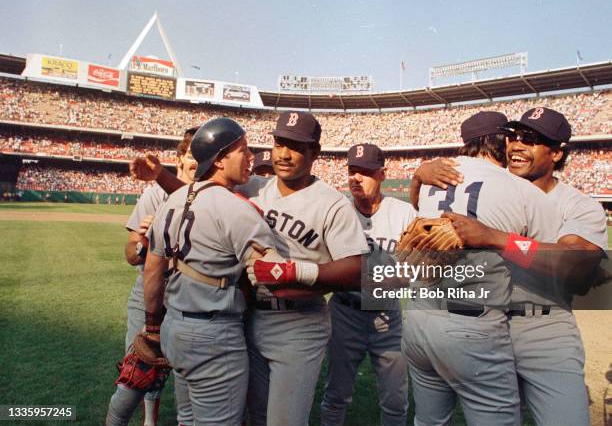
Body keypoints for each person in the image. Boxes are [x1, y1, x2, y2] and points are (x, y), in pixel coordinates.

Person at [130, 111, 370, 426]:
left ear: (315, 152)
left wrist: (300, 272)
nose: (284, 154)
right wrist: (161, 174)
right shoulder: (254, 186)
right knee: (253, 417)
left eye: (296, 146)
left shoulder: (332, 203)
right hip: (249, 319)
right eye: (280, 142)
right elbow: (202, 194)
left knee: (284, 421)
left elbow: (359, 271)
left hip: (297, 323)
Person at [418, 107, 607, 425]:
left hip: (542, 330)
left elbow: (576, 263)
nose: (517, 145)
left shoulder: (577, 204)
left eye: (531, 140)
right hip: (486, 328)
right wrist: (418, 174)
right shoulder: (491, 185)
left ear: (557, 153)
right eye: (514, 136)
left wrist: (497, 239)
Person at [401, 111, 561, 426]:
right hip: (474, 326)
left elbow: (418, 209)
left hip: (418, 320)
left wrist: (418, 176)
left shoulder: (436, 175)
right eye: (511, 137)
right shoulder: (521, 189)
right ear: (500, 140)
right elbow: (552, 262)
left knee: (428, 421)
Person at [142, 117, 277, 425]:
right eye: (242, 150)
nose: (251, 158)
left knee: (187, 420)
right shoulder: (237, 208)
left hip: (173, 326)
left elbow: (152, 270)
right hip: (215, 334)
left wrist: (152, 326)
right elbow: (273, 277)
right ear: (218, 159)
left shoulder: (173, 199)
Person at [105, 127, 198, 426]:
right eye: (191, 154)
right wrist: (144, 242)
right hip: (148, 294)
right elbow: (131, 254)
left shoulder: (215, 196)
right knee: (136, 376)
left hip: (191, 299)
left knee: (188, 383)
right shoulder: (155, 193)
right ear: (180, 158)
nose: (197, 161)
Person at [320, 143, 415, 426]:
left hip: (388, 315)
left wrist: (389, 281)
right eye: (352, 171)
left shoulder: (403, 212)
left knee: (396, 399)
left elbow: (415, 266)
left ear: (383, 174)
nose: (356, 178)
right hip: (345, 312)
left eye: (365, 172)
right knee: (336, 394)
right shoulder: (337, 212)